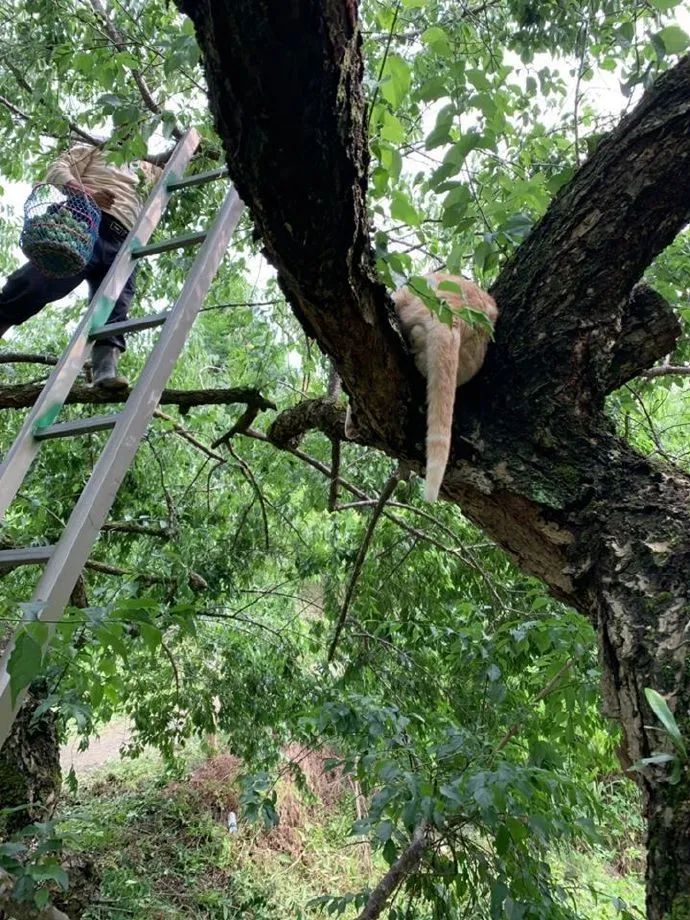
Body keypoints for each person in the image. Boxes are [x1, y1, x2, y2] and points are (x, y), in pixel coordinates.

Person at [0, 144, 161, 388]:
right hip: (85, 221)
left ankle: (106, 369)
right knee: (37, 282)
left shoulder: (149, 167)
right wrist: (84, 193)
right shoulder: (94, 148)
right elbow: (57, 169)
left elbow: (181, 161)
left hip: (125, 241)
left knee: (116, 304)